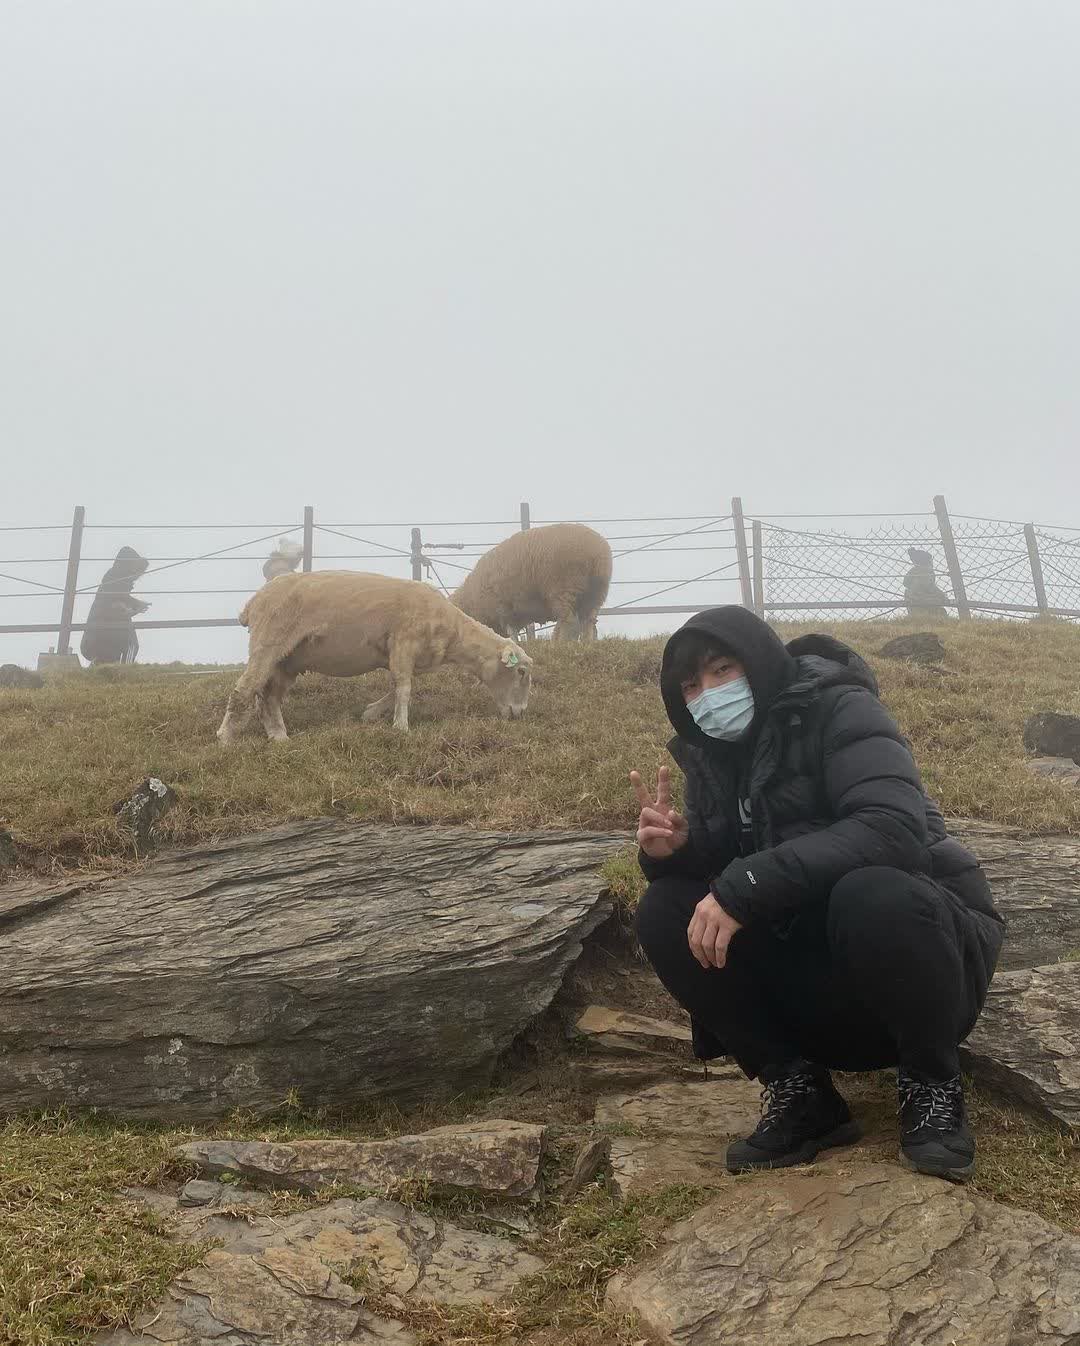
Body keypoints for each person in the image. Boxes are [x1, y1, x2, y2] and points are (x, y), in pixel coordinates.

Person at [631, 606, 1003, 1181]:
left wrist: (745, 884)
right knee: (665, 910)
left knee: (872, 892)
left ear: (759, 661)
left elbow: (891, 830)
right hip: (817, 974)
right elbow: (733, 869)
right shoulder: (708, 757)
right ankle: (801, 1092)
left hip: (926, 962)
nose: (708, 694)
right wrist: (678, 853)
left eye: (722, 670)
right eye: (691, 685)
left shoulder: (841, 707)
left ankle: (932, 1083)